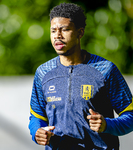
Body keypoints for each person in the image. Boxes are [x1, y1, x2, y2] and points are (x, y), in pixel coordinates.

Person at [28, 2, 133, 150]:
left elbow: (130, 115)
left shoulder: (105, 70)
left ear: (80, 32)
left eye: (64, 29)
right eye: (53, 31)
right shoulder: (43, 72)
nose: (58, 35)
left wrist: (107, 125)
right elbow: (37, 116)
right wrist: (36, 132)